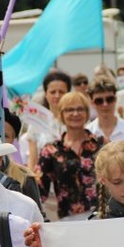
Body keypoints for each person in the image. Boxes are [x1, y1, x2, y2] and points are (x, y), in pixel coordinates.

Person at [37, 91, 102, 220]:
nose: (75, 114)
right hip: (67, 220)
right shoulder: (51, 150)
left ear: (87, 113)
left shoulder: (102, 146)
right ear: (61, 114)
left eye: (80, 109)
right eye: (69, 110)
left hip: (101, 216)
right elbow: (39, 189)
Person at [25, 71, 71, 171]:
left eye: (61, 92)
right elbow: (32, 160)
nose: (57, 96)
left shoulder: (76, 120)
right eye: (53, 92)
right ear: (46, 94)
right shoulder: (35, 123)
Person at [86, 77, 124, 148]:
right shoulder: (88, 132)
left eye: (109, 99)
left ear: (115, 99)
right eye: (99, 101)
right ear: (92, 103)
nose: (105, 104)